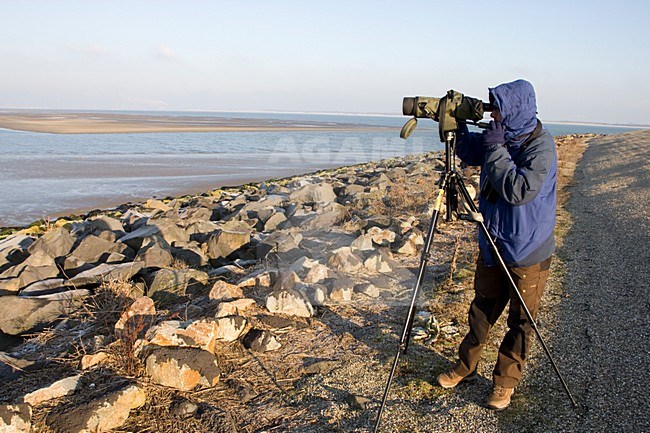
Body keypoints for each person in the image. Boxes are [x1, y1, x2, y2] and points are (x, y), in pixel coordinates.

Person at [436, 79, 558, 410]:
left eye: (499, 112)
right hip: (493, 242)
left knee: (521, 319)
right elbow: (470, 150)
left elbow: (519, 190)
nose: (494, 118)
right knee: (482, 309)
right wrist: (455, 126)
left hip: (527, 249)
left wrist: (494, 148)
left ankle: (505, 382)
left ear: (516, 112)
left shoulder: (541, 147)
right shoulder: (502, 137)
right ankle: (465, 365)